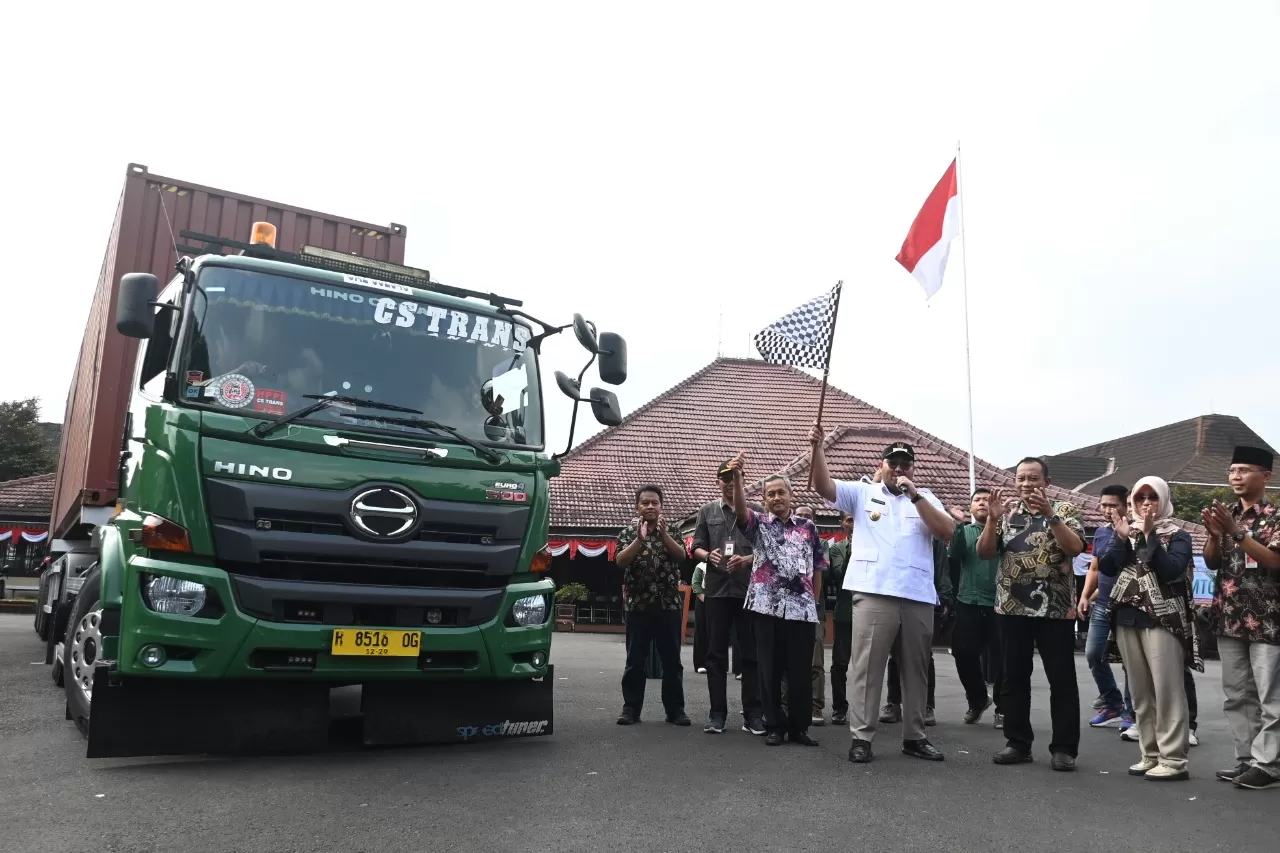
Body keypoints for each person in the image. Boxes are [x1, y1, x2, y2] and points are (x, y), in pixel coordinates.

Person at [810, 432, 955, 764]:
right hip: (874, 591)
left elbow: (946, 531)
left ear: (913, 469)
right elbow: (823, 486)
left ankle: (914, 736)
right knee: (868, 668)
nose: (899, 469)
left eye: (906, 464)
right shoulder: (863, 492)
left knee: (915, 669)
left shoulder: (926, 497)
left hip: (917, 594)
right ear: (883, 465)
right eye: (894, 463)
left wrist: (916, 496)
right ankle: (862, 737)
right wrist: (817, 449)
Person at [979, 457, 1085, 771]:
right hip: (1012, 608)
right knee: (1013, 677)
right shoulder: (1006, 512)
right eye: (1021, 478)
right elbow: (985, 552)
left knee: (1062, 680)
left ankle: (1064, 748)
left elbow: (1075, 547)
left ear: (1047, 483)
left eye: (1034, 478)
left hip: (1056, 610)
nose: (1027, 484)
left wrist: (1051, 514)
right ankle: (1017, 743)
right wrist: (990, 521)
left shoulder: (1066, 510)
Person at [1098, 477, 1201, 781]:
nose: (1146, 503)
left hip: (1163, 620)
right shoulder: (1125, 533)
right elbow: (1107, 566)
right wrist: (1121, 539)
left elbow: (1170, 570)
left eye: (1152, 497)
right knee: (1141, 693)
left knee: (1167, 690)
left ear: (1164, 500)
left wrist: (1149, 535)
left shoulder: (1178, 535)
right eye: (1140, 497)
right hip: (1127, 619)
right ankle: (1150, 754)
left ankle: (1173, 759)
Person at [724, 455, 827, 747]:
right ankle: (774, 726)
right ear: (765, 500)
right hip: (766, 609)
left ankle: (799, 727)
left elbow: (818, 566)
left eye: (781, 492)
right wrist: (739, 478)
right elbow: (742, 511)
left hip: (801, 610)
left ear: (791, 496)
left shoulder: (808, 528)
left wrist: (813, 602)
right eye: (770, 494)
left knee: (799, 671)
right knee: (768, 668)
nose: (776, 497)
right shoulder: (759, 525)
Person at [1202, 445, 1280, 791]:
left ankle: (1270, 764)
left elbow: (1274, 561)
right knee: (1236, 694)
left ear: (1266, 476)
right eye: (1233, 470)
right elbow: (1212, 562)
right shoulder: (1226, 513)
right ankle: (1248, 759)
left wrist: (1236, 532)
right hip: (1229, 616)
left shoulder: (1276, 517)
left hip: (1268, 620)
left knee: (1270, 696)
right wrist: (1214, 535)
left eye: (1245, 470)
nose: (1236, 476)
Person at [690, 460, 765, 736]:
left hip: (749, 591)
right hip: (717, 590)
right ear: (718, 482)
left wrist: (747, 560)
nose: (730, 483)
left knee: (751, 654)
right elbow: (696, 547)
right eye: (725, 479)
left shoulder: (756, 512)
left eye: (735, 478)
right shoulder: (706, 511)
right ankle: (717, 713)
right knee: (715, 654)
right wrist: (707, 555)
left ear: (743, 480)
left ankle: (753, 714)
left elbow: (767, 551)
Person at [614, 485, 690, 726]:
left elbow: (681, 557)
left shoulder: (674, 531)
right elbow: (620, 561)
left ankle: (675, 710)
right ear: (637, 506)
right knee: (635, 661)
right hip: (639, 606)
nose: (650, 506)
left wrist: (664, 535)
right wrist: (640, 539)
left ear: (661, 506)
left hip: (668, 605)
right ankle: (631, 709)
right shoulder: (628, 533)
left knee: (672, 661)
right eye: (645, 502)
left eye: (654, 503)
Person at [949, 488, 1005, 727]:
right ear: (971, 508)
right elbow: (955, 555)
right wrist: (958, 524)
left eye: (986, 499)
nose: (982, 503)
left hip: (1001, 605)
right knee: (962, 653)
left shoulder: (1008, 531)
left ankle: (1003, 708)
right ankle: (978, 699)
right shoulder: (964, 532)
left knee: (1003, 659)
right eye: (977, 500)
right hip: (968, 601)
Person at [882, 536, 950, 726]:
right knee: (895, 654)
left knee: (923, 656)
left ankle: (927, 706)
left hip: (923, 597)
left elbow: (942, 568)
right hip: (894, 594)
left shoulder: (933, 535)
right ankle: (893, 703)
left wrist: (944, 598)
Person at [1081, 485, 1130, 728]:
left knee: (1130, 661)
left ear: (1125, 505)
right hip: (1102, 604)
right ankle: (1113, 704)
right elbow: (1095, 568)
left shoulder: (1135, 532)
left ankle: (1132, 713)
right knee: (1093, 654)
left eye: (1113, 505)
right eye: (1104, 505)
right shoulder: (1100, 533)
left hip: (1129, 605)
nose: (1108, 510)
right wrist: (1085, 596)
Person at [782, 504, 828, 727]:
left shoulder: (820, 541)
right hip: (786, 608)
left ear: (814, 520)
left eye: (807, 516)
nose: (802, 518)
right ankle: (783, 706)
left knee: (814, 661)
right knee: (785, 661)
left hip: (812, 608)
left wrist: (815, 602)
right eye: (799, 515)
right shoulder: (785, 535)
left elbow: (819, 570)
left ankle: (815, 707)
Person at [828, 513, 854, 726]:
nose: (853, 524)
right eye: (849, 520)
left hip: (873, 613)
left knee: (870, 665)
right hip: (846, 612)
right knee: (840, 663)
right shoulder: (837, 549)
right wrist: (853, 551)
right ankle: (839, 708)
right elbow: (839, 576)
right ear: (842, 524)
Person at [691, 561, 708, 674]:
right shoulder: (701, 566)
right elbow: (696, 585)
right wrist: (707, 601)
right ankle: (701, 663)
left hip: (719, 600)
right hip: (703, 600)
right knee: (701, 631)